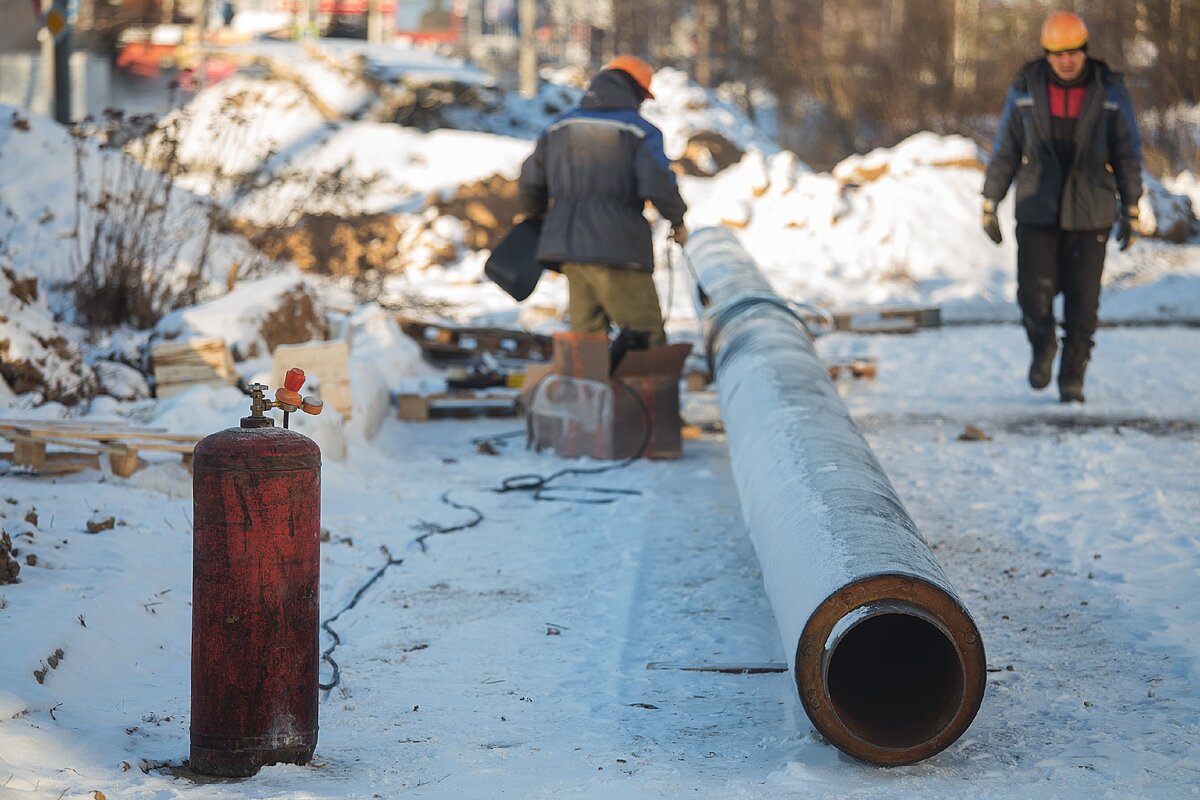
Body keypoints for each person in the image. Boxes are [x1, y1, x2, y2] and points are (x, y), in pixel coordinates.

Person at [981, 11, 1143, 403]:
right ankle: (1043, 346)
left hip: (1092, 209)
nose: (1066, 60)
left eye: (1073, 52)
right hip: (1038, 207)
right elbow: (1006, 149)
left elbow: (1127, 153)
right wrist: (990, 201)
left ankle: (1072, 378)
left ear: (1084, 51)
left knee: (1083, 303)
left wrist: (1132, 207)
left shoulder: (1110, 91)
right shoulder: (1024, 88)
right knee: (1032, 295)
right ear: (1046, 54)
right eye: (1057, 53)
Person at [518, 55, 688, 348]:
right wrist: (677, 218)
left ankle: (589, 394)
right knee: (644, 343)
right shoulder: (639, 131)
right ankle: (644, 395)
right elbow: (657, 183)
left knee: (587, 347)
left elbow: (530, 180)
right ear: (635, 91)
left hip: (570, 250)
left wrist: (537, 217)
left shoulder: (558, 126)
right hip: (620, 250)